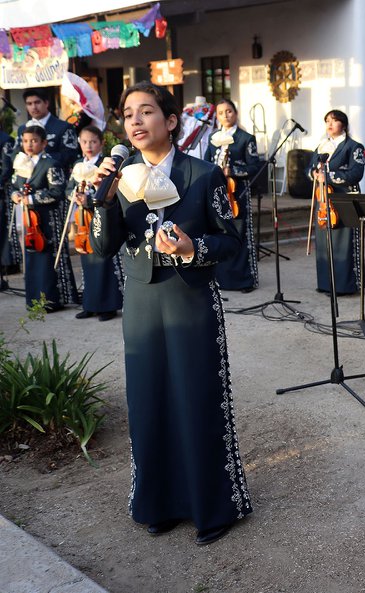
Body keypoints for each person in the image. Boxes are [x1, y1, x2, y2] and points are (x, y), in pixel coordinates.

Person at [90, 81, 252, 545]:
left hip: (190, 298)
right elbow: (102, 247)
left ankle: (212, 506)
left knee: (197, 399)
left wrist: (191, 247)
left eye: (146, 111)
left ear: (171, 120)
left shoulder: (203, 174)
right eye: (128, 114)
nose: (135, 121)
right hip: (141, 302)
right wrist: (102, 200)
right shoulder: (120, 179)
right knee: (148, 401)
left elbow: (231, 241)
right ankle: (158, 502)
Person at [9, 125, 78, 312]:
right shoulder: (21, 163)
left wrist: (31, 199)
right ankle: (34, 300)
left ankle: (52, 300)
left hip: (49, 220)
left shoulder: (51, 164)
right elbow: (14, 186)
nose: (29, 144)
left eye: (34, 141)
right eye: (25, 141)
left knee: (48, 259)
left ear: (44, 143)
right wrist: (15, 195)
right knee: (32, 258)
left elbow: (57, 192)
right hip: (30, 220)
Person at [204, 99, 263, 293]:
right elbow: (206, 163)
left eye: (229, 111)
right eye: (221, 113)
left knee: (240, 233)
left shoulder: (246, 138)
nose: (225, 115)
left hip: (238, 193)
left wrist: (234, 171)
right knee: (220, 233)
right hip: (218, 192)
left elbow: (255, 166)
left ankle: (244, 280)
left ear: (235, 113)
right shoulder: (212, 137)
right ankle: (222, 279)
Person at [67, 125, 123, 321]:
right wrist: (74, 196)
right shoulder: (78, 164)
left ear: (101, 143)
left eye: (93, 141)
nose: (88, 145)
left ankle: (108, 306)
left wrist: (89, 201)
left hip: (100, 217)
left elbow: (112, 193)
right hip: (83, 221)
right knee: (86, 262)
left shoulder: (106, 164)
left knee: (104, 261)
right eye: (84, 142)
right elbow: (68, 188)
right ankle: (90, 304)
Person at [308, 109, 364, 296]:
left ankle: (345, 285)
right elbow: (309, 169)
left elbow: (356, 174)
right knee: (324, 241)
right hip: (324, 200)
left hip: (344, 197)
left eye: (334, 120)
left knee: (343, 241)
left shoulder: (354, 146)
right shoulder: (321, 146)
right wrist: (314, 174)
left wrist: (329, 176)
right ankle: (326, 283)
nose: (330, 124)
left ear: (344, 125)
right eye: (327, 121)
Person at [17, 88, 80, 172]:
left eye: (37, 102)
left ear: (46, 103)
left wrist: (41, 159)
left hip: (56, 174)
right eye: (29, 104)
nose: (34, 107)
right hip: (27, 175)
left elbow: (70, 155)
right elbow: (15, 152)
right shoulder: (22, 129)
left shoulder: (64, 127)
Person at [0, 129, 15, 274]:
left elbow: (7, 167)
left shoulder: (5, 140)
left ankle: (8, 262)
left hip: (3, 189)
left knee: (4, 224)